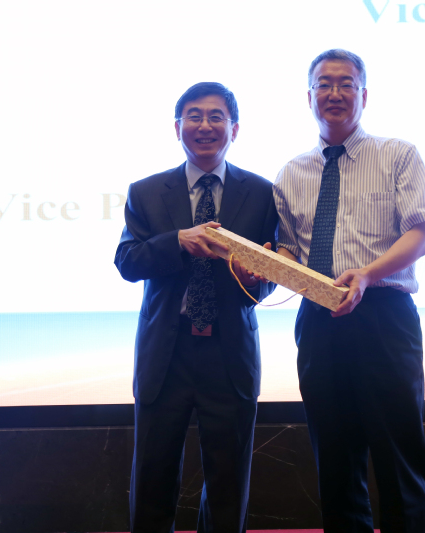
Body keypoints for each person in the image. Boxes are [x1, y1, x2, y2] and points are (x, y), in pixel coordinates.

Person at [273, 49, 425, 533]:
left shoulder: (397, 155)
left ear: (363, 95)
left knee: (397, 457)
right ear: (309, 96)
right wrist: (265, 262)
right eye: (324, 84)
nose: (335, 93)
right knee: (335, 461)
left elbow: (422, 232)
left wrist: (366, 274)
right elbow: (290, 251)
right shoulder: (291, 173)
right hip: (318, 321)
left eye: (346, 83)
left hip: (384, 315)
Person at [114, 82, 278, 533]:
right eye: (194, 116)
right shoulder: (146, 191)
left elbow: (269, 271)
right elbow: (127, 262)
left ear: (234, 129)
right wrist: (177, 241)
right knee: (153, 475)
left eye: (216, 116)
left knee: (228, 481)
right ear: (177, 127)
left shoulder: (262, 193)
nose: (205, 125)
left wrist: (256, 281)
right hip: (166, 353)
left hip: (229, 352)